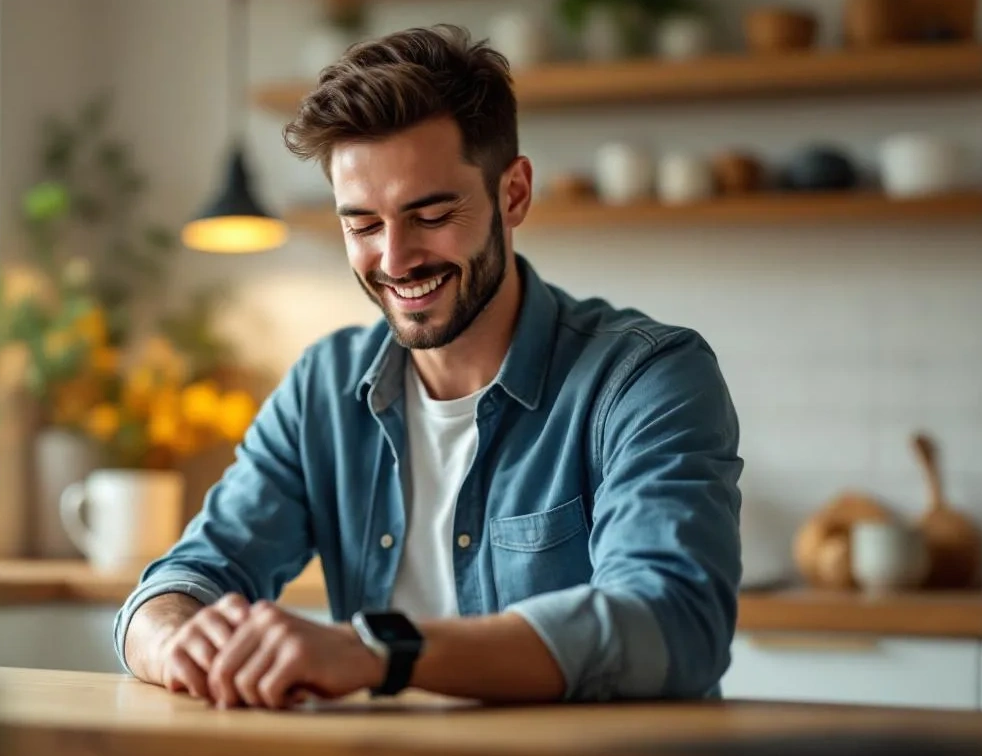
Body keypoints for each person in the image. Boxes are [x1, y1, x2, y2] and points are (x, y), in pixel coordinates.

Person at [113, 24, 743, 710]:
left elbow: (673, 624)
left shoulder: (645, 378)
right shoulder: (323, 389)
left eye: (432, 213)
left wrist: (378, 652)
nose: (395, 257)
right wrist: (177, 637)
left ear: (514, 195)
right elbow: (188, 577)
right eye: (362, 224)